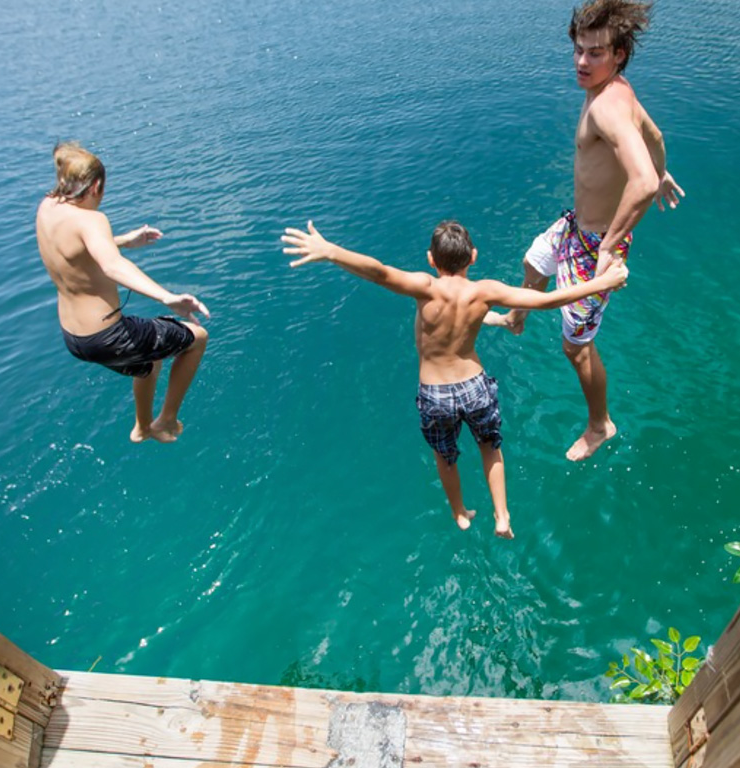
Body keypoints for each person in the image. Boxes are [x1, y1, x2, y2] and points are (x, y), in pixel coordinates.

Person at [282, 220, 628, 536]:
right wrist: (602, 282)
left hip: (436, 394)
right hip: (474, 387)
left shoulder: (426, 287)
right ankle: (502, 516)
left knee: (446, 456)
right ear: (473, 257)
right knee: (490, 448)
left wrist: (331, 252)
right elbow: (549, 300)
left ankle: (461, 513)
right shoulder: (484, 292)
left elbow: (379, 272)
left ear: (431, 259)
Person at [484, 0, 684, 462]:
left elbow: (642, 183)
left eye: (595, 53)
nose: (581, 61)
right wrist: (663, 167)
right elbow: (652, 135)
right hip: (576, 227)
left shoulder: (609, 107)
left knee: (575, 348)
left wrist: (611, 246)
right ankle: (516, 320)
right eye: (578, 50)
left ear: (619, 54)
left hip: (597, 244)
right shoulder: (616, 91)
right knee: (534, 261)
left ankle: (601, 425)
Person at [36, 142, 209, 444]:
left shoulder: (48, 208)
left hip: (75, 339)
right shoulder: (92, 220)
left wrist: (125, 240)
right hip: (108, 336)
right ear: (96, 187)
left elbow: (77, 249)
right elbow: (112, 265)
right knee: (197, 337)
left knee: (149, 360)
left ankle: (142, 428)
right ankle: (166, 420)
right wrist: (166, 296)